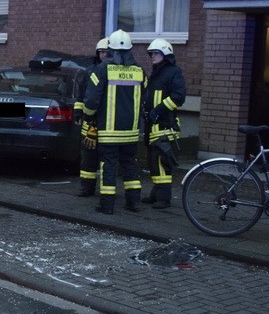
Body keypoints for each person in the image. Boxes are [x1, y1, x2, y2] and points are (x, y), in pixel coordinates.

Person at [81, 29, 146, 215]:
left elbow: (91, 101)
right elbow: (145, 98)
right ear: (130, 49)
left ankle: (107, 205)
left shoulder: (102, 70)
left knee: (108, 166)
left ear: (110, 50)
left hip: (109, 131)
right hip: (131, 131)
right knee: (130, 165)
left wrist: (88, 116)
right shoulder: (139, 71)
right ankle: (134, 203)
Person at [142, 38, 186, 209]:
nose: (152, 56)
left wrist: (157, 111)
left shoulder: (173, 72)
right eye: (151, 53)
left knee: (162, 164)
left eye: (155, 53)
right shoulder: (157, 72)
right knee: (153, 162)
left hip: (164, 126)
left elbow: (178, 97)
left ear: (165, 54)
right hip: (153, 126)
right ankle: (156, 194)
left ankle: (164, 198)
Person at [74, 37, 110, 197]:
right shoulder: (89, 71)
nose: (104, 55)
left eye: (107, 52)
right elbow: (81, 96)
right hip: (89, 122)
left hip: (107, 121)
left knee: (105, 158)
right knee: (88, 156)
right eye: (102, 52)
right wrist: (78, 113)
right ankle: (86, 188)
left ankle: (106, 189)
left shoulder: (112, 71)